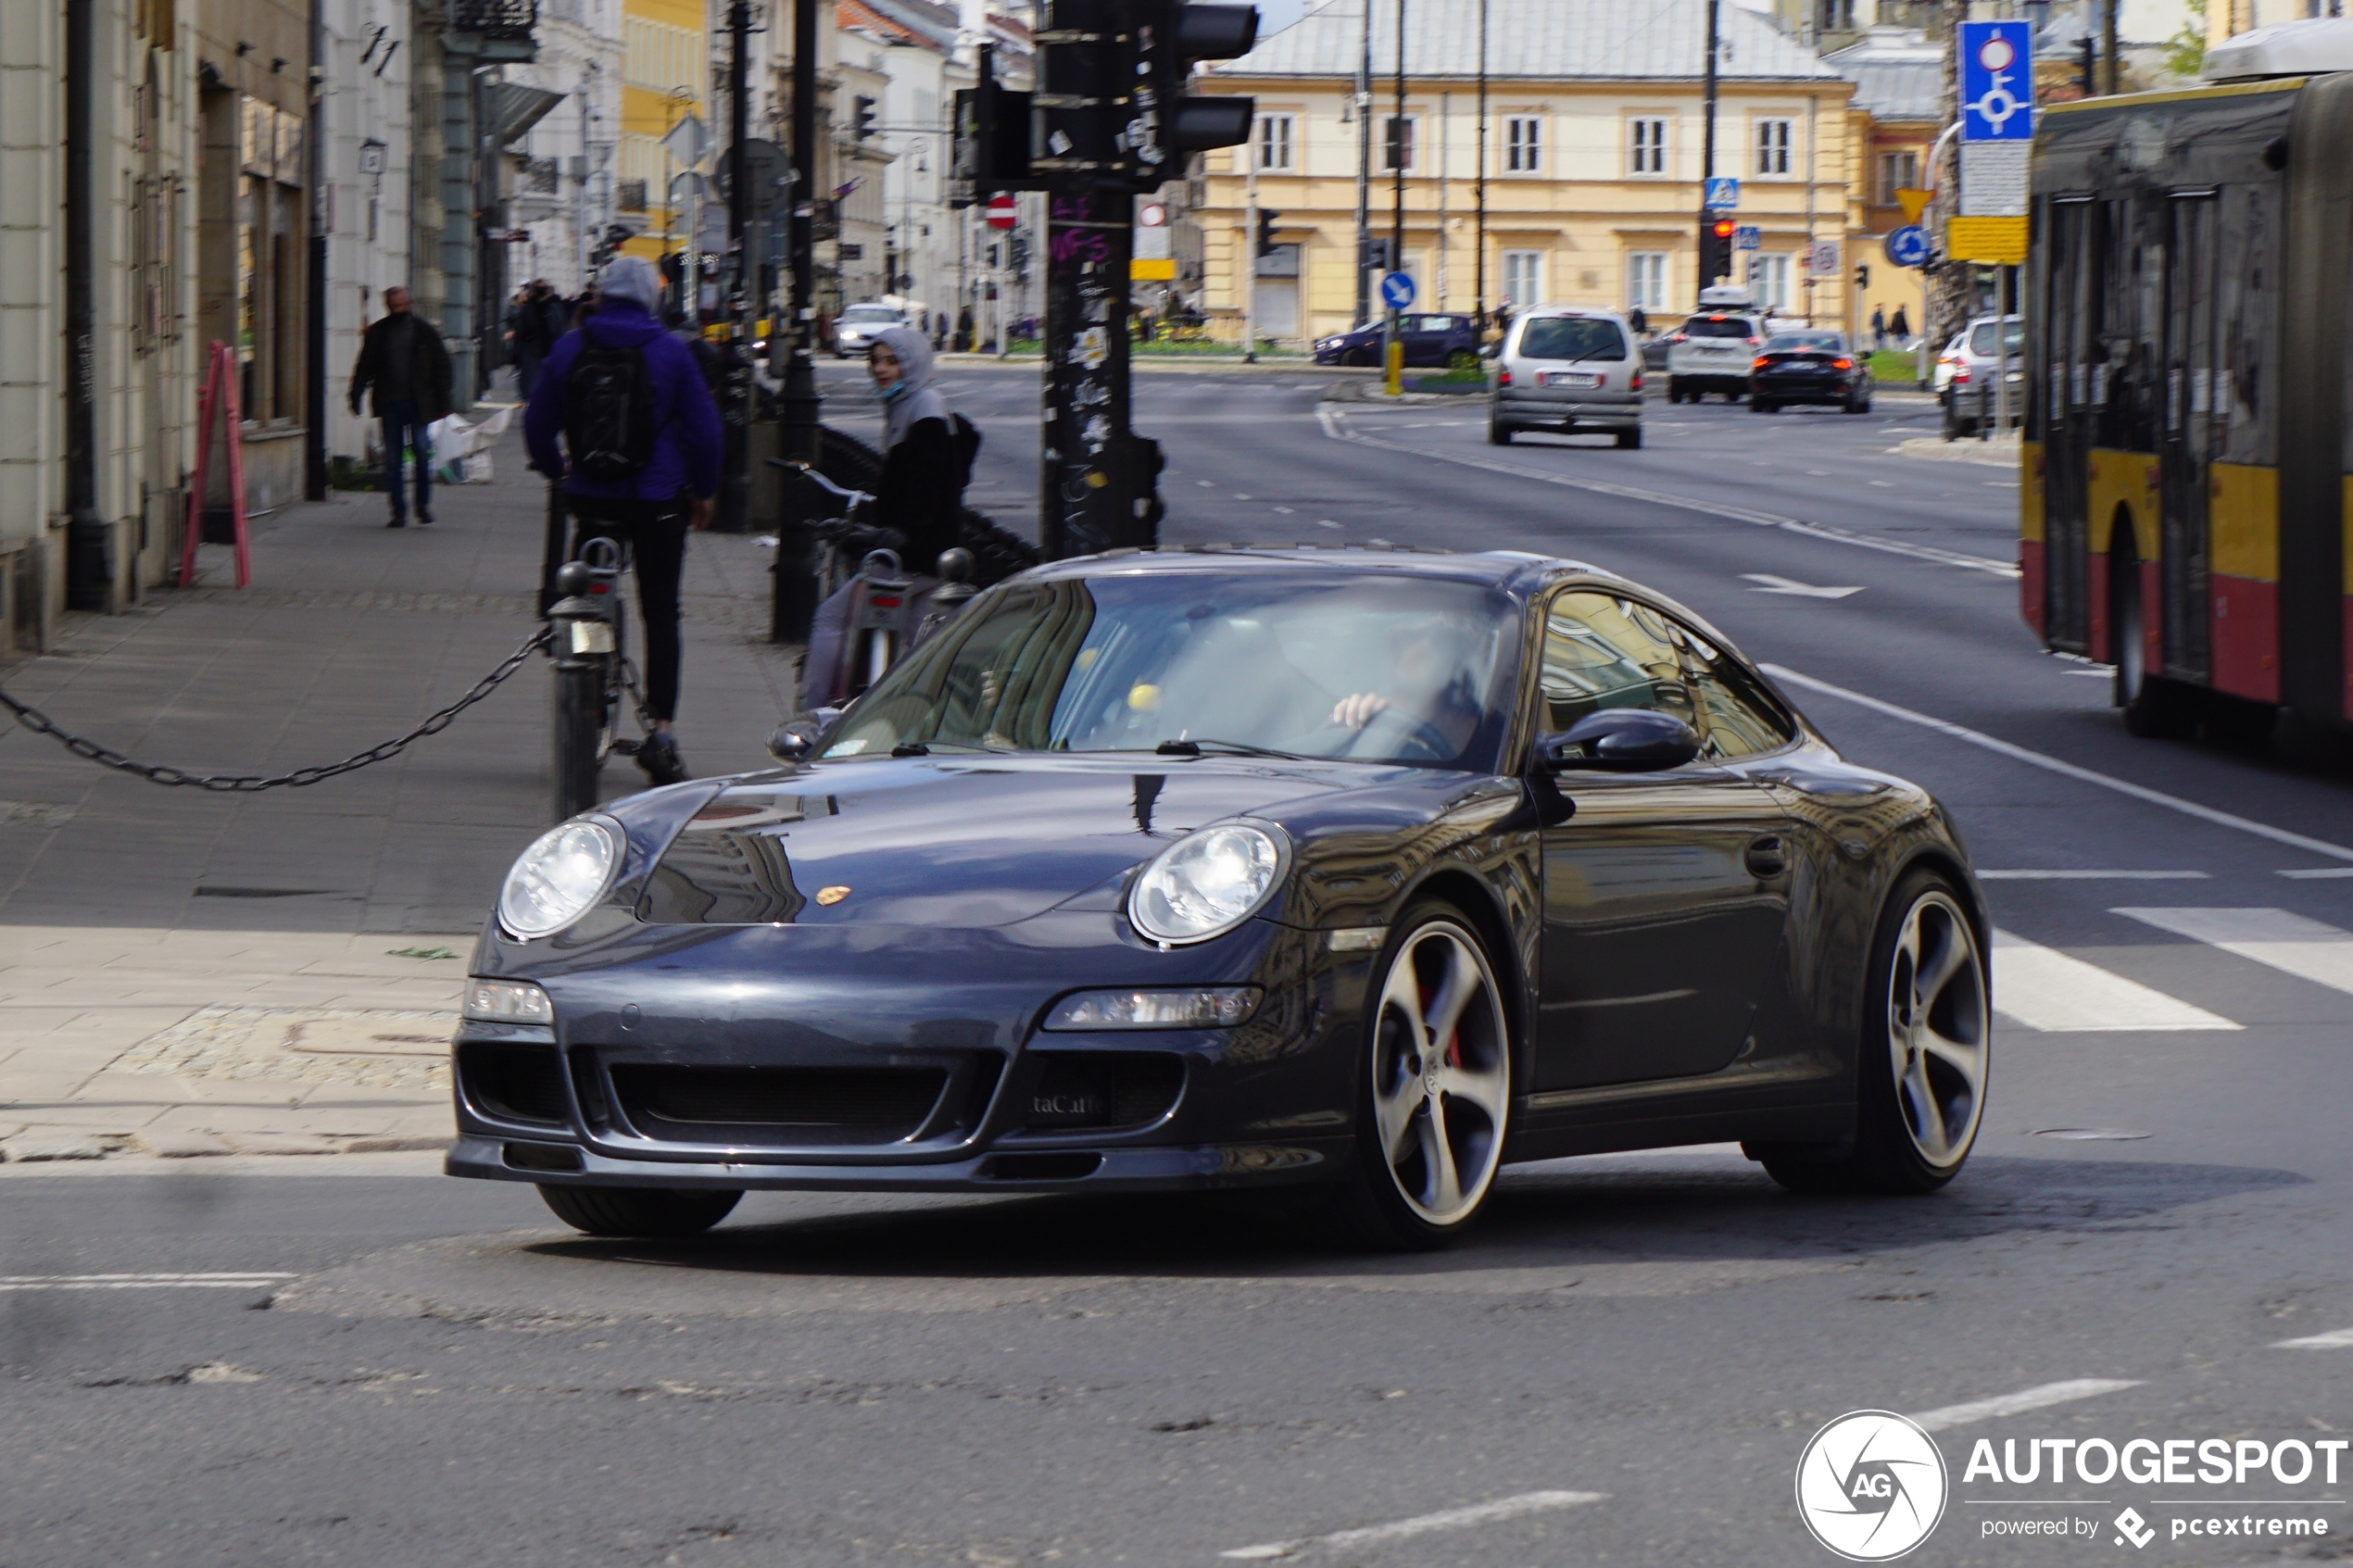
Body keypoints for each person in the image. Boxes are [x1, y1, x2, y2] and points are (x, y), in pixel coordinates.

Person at [523, 255, 723, 786]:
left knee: (584, 601)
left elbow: (536, 425)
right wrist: (702, 493)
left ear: (602, 294)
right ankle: (661, 729)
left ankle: (584, 701)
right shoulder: (671, 353)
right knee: (661, 612)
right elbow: (706, 434)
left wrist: (558, 471)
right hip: (657, 502)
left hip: (593, 501)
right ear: (651, 299)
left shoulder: (571, 347)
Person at [800, 327, 969, 704]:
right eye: (875, 361)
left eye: (892, 361)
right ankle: (901, 716)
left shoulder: (922, 409)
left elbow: (924, 482)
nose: (880, 369)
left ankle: (812, 712)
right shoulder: (917, 403)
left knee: (831, 618)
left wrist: (903, 531)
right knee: (913, 646)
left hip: (909, 554)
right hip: (935, 551)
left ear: (913, 363)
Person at [347, 285, 453, 529]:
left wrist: (444, 402)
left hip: (419, 402)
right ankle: (398, 511)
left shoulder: (425, 332)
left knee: (421, 453)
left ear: (409, 303)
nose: (397, 310)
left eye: (400, 305)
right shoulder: (379, 333)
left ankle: (423, 507)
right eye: (392, 306)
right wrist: (355, 395)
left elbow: (442, 367)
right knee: (393, 460)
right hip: (390, 402)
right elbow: (364, 366)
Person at [509, 280, 566, 398]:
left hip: (548, 351)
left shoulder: (553, 306)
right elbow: (521, 331)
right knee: (531, 387)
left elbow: (559, 329)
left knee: (546, 386)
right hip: (531, 351)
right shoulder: (529, 307)